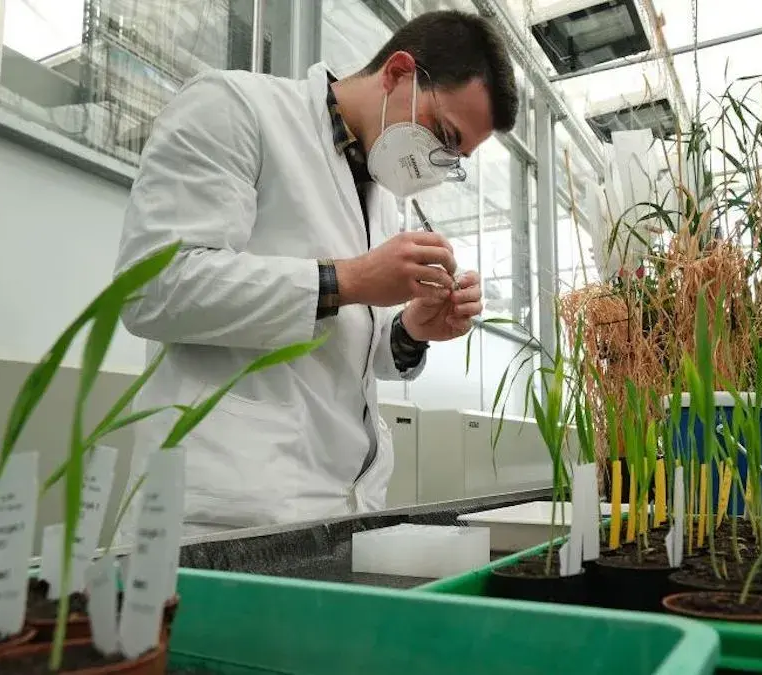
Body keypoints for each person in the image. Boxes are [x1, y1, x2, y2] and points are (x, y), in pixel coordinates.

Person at [113, 10, 519, 538]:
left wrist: (412, 329)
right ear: (398, 73)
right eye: (443, 135)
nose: (439, 164)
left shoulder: (377, 194)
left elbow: (343, 351)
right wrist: (347, 280)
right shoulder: (236, 108)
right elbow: (153, 289)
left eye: (455, 157)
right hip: (224, 511)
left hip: (341, 507)